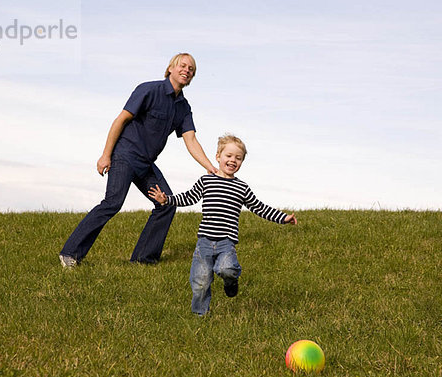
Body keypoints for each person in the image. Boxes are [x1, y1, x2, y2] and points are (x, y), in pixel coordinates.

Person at [59, 53, 217, 267]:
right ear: (171, 68)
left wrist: (210, 167)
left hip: (146, 164)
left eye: (191, 69)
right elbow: (120, 120)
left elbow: (190, 139)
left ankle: (143, 259)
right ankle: (70, 254)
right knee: (112, 203)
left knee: (166, 203)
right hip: (125, 155)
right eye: (183, 66)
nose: (186, 70)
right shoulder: (149, 90)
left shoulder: (183, 107)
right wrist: (106, 154)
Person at [148, 134, 297, 315]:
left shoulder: (242, 188)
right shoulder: (206, 181)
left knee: (226, 269)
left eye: (238, 158)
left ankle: (231, 281)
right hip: (204, 242)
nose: (233, 160)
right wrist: (167, 200)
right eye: (229, 156)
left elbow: (259, 207)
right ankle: (200, 316)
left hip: (226, 242)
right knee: (200, 282)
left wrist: (283, 218)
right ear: (218, 156)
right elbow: (188, 197)